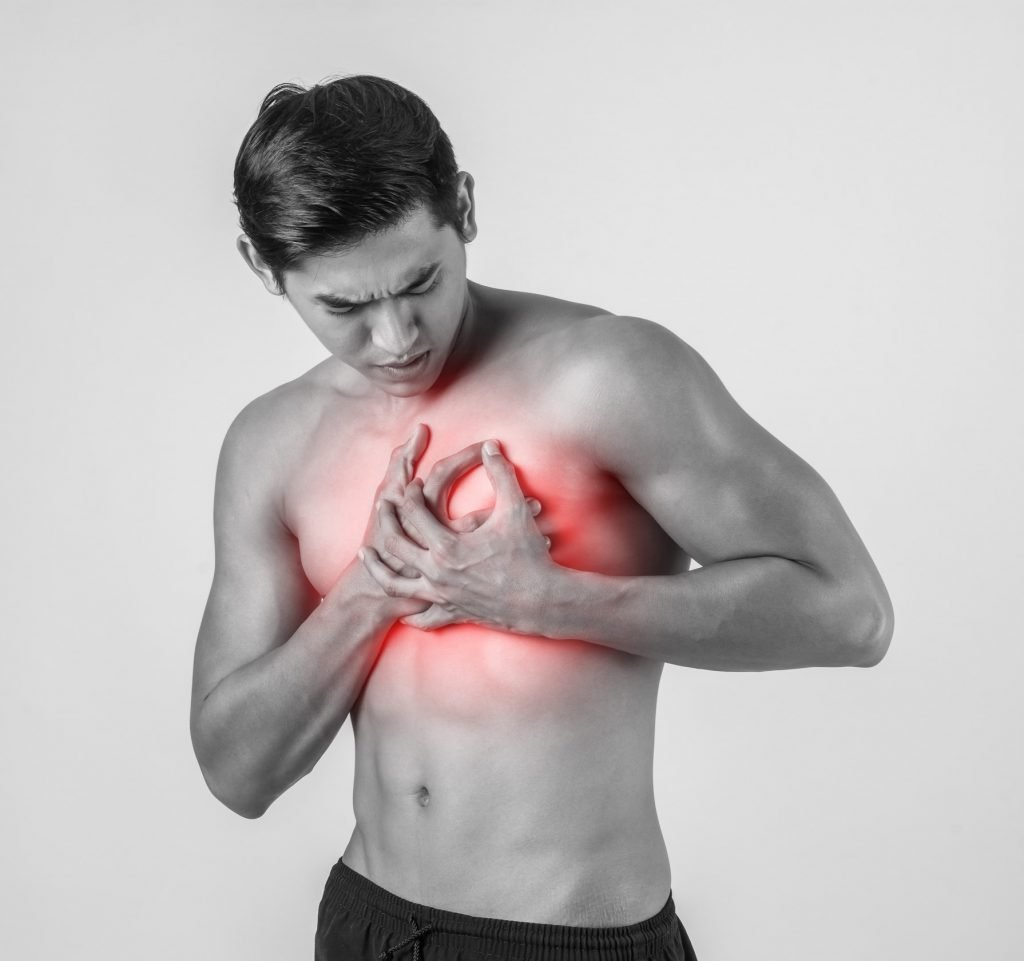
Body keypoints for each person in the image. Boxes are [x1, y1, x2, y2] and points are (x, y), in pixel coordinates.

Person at [190, 75, 893, 961]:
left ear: (467, 210)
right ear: (266, 270)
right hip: (364, 920)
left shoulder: (607, 374)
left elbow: (852, 612)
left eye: (420, 282)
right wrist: (369, 591)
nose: (398, 335)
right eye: (346, 308)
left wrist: (545, 601)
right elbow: (235, 771)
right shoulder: (270, 443)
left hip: (563, 939)